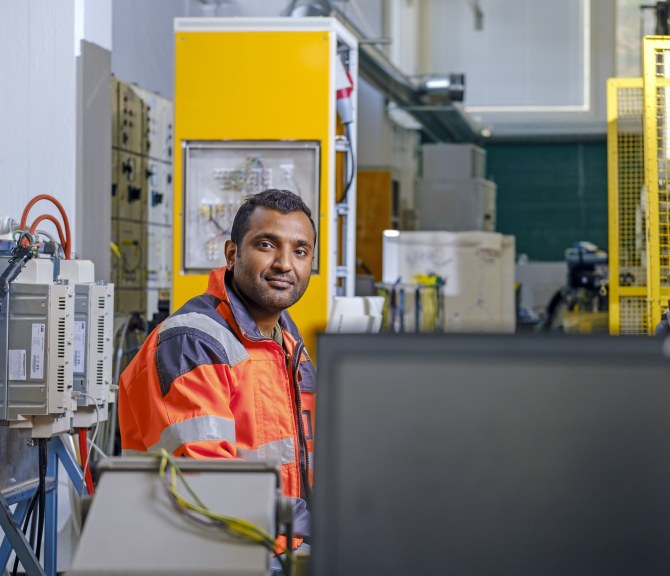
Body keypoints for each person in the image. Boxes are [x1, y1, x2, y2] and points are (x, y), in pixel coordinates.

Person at [118, 188, 317, 556]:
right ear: (232, 253)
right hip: (199, 552)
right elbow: (208, 481)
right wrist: (318, 520)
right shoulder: (193, 342)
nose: (285, 263)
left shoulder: (286, 344)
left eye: (300, 251)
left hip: (269, 546)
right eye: (266, 245)